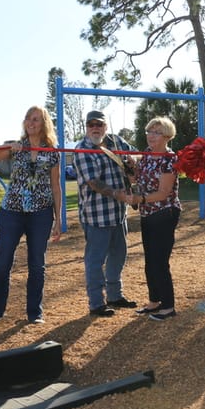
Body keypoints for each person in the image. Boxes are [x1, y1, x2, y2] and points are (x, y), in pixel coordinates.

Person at [0, 105, 62, 324]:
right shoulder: (17, 147)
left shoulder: (52, 152)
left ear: (44, 124)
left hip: (41, 213)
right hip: (12, 211)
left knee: (36, 264)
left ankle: (35, 313)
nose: (31, 123)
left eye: (36, 119)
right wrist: (6, 146)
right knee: (3, 262)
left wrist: (59, 218)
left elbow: (56, 186)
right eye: (28, 119)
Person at [72, 110, 138, 317]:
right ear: (86, 127)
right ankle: (96, 303)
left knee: (119, 255)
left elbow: (135, 155)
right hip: (96, 215)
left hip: (118, 214)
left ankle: (115, 296)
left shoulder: (116, 141)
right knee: (95, 260)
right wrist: (118, 194)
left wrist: (132, 161)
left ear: (105, 127)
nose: (95, 128)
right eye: (91, 124)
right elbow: (94, 182)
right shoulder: (82, 149)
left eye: (98, 124)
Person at [115, 117, 181, 321]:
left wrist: (139, 198)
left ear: (167, 136)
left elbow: (163, 192)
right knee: (150, 260)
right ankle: (154, 301)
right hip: (147, 213)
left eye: (156, 132)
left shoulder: (169, 159)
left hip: (164, 213)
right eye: (149, 131)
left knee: (160, 261)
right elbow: (137, 179)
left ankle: (168, 306)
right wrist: (130, 169)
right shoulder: (146, 155)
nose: (151, 136)